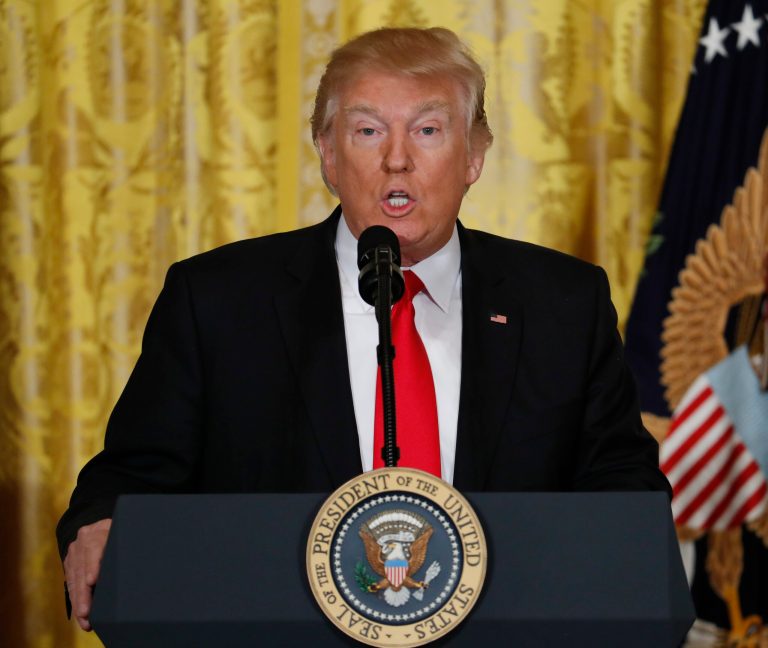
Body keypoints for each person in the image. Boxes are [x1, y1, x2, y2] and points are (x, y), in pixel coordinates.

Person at [57, 26, 670, 632]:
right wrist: (105, 523)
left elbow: (623, 485)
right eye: (368, 130)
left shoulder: (562, 303)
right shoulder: (218, 300)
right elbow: (128, 479)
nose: (396, 158)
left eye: (428, 130)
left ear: (475, 155)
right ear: (327, 152)